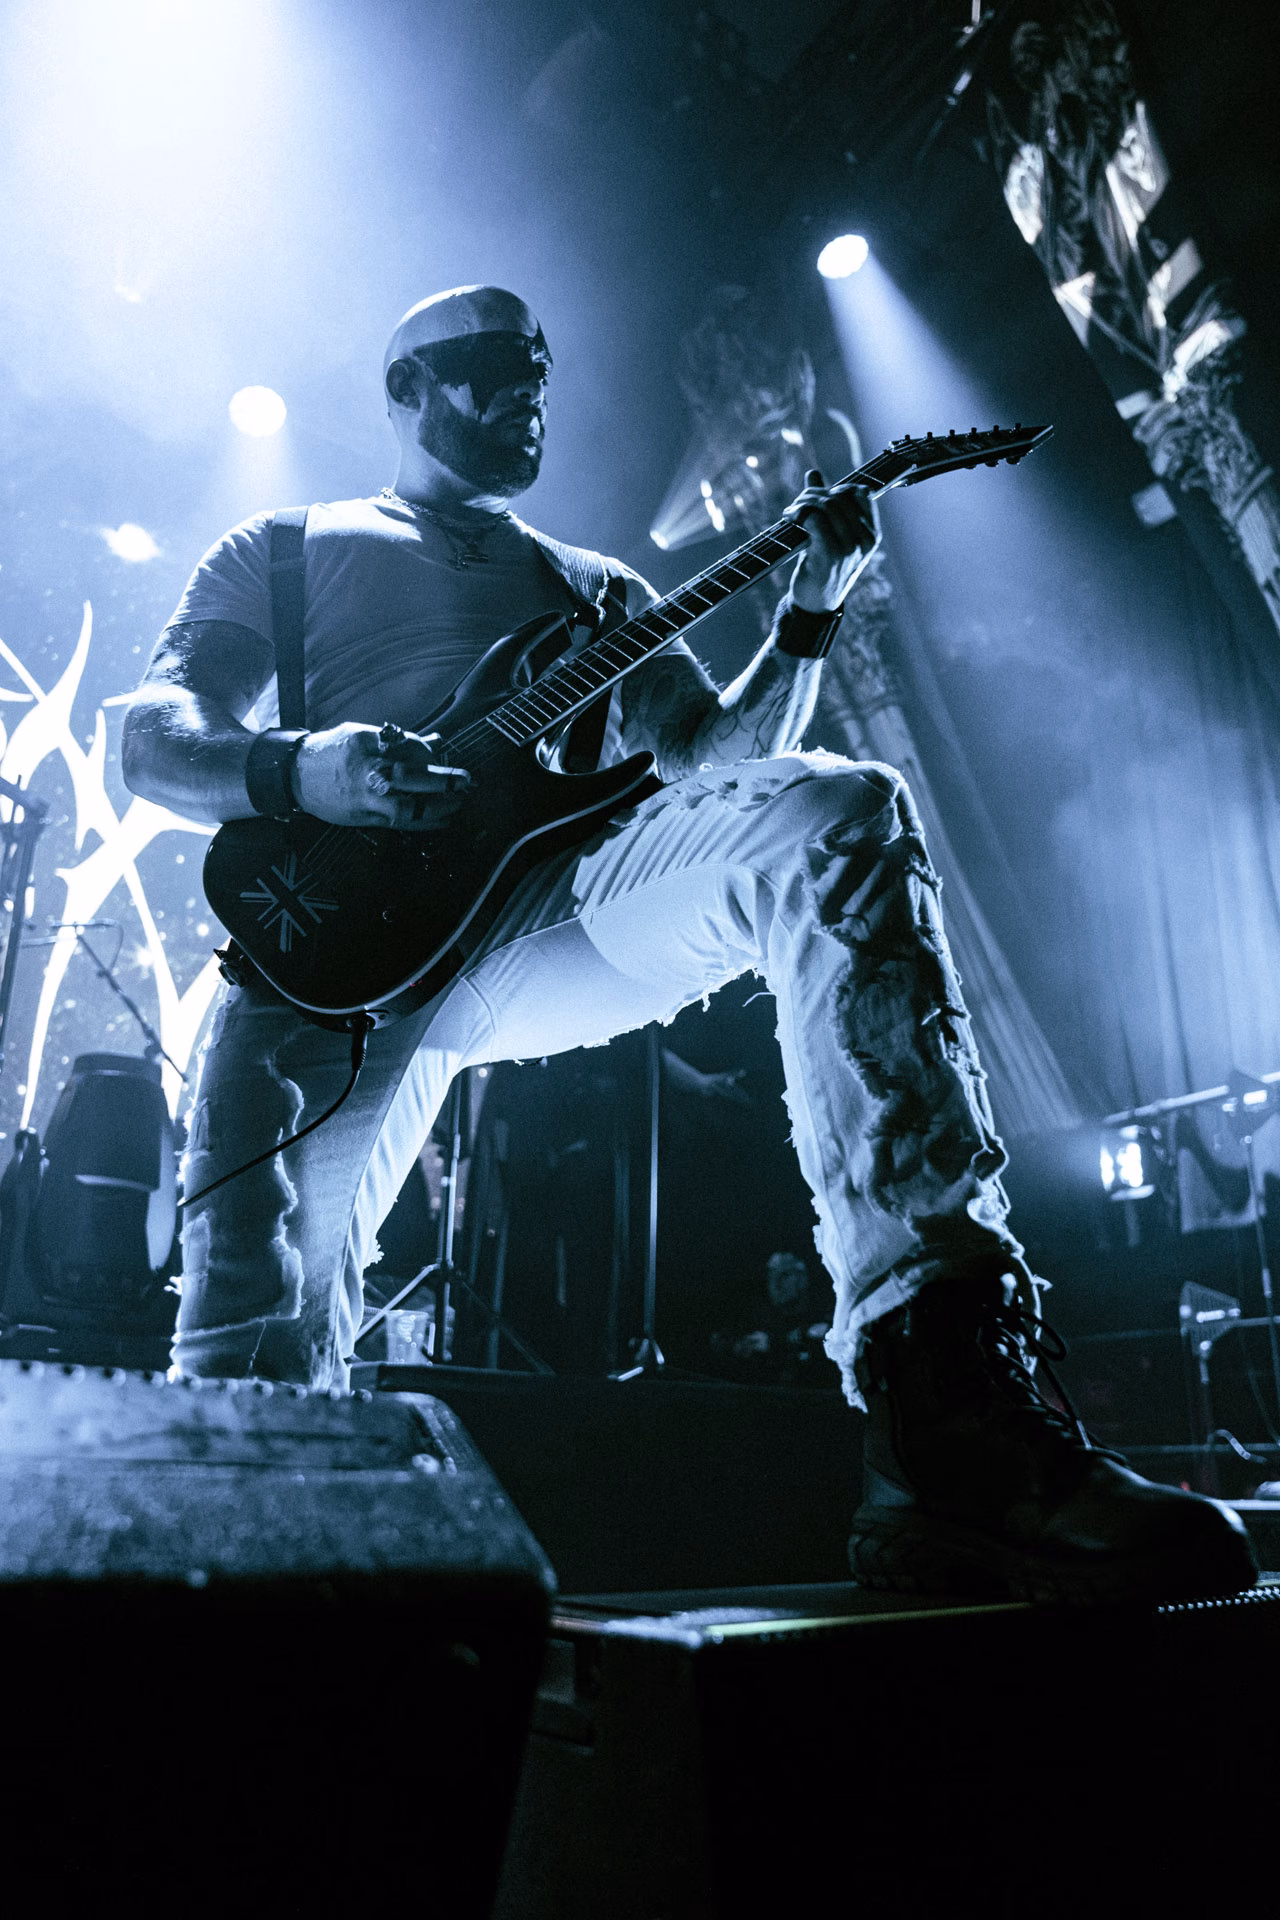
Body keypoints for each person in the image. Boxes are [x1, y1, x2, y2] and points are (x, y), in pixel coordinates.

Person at [122, 284, 1254, 1604]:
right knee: (250, 1369)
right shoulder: (285, 548)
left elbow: (723, 764)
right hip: (323, 964)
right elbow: (152, 736)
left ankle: (942, 1405)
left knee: (832, 812)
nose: (525, 386)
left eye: (538, 363)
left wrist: (811, 607)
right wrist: (306, 770)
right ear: (404, 390)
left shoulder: (592, 591)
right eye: (489, 364)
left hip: (530, 922)